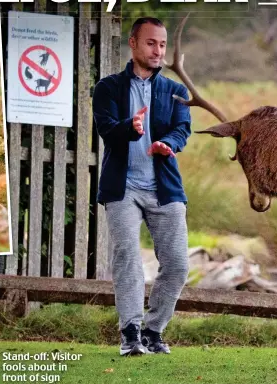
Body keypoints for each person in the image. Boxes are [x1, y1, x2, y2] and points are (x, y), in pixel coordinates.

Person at [92, 17, 191, 356]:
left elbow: (183, 130)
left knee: (178, 264)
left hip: (164, 187)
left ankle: (153, 330)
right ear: (133, 43)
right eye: (151, 43)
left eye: (162, 44)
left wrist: (169, 144)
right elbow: (106, 128)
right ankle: (130, 333)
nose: (158, 50)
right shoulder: (107, 88)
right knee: (128, 257)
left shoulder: (176, 91)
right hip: (123, 188)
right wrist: (131, 128)